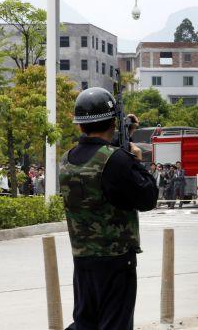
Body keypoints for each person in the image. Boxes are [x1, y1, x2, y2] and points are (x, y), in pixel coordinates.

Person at [60, 87, 158, 330]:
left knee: (86, 323)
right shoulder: (118, 160)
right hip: (116, 261)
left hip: (83, 260)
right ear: (112, 122)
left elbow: (96, 152)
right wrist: (137, 161)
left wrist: (124, 134)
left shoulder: (67, 159)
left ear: (80, 125)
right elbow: (148, 198)